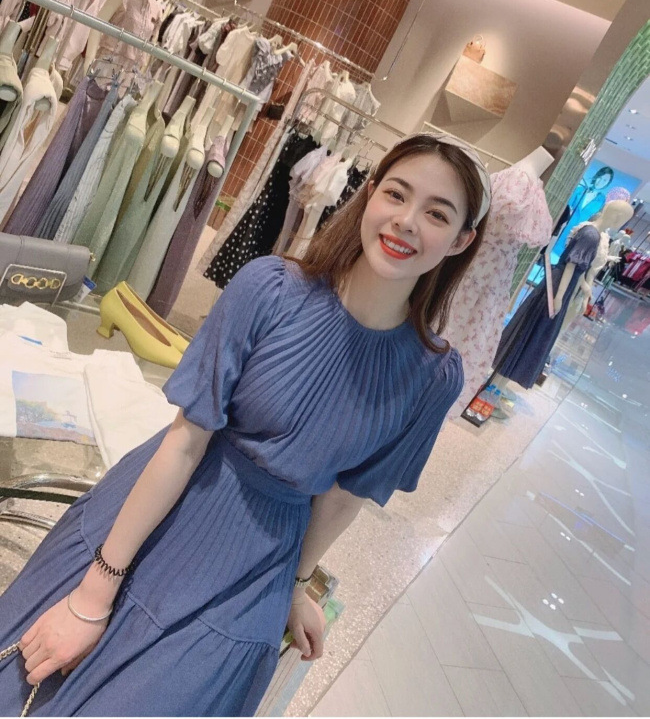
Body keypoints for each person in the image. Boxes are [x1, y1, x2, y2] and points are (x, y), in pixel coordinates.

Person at [0, 133, 491, 716]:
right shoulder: (272, 289)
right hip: (155, 514)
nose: (406, 221)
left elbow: (345, 496)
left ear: (461, 240)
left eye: (437, 214)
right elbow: (185, 443)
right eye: (397, 194)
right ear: (369, 195)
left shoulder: (432, 378)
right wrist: (95, 591)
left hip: (254, 573)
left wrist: (296, 586)